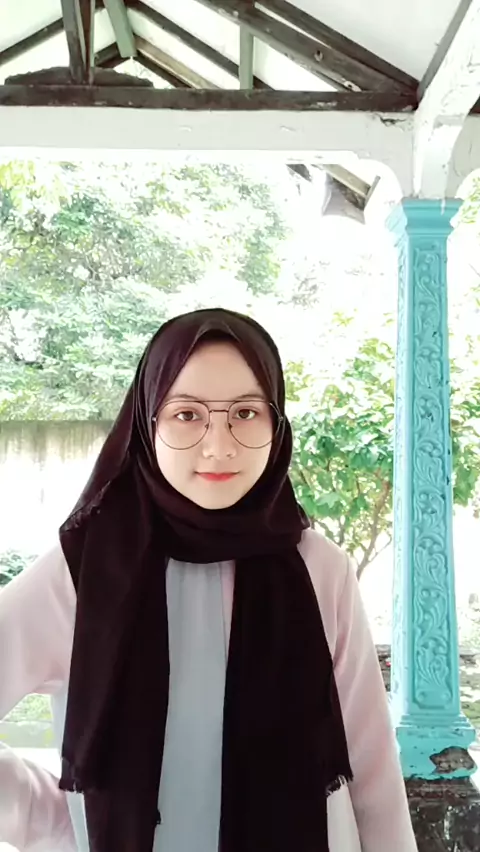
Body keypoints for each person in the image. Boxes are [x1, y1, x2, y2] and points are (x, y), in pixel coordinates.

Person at [0, 307, 418, 852]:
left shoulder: (320, 568)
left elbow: (371, 767)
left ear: (277, 424)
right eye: (187, 414)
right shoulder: (85, 573)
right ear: (147, 422)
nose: (219, 445)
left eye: (245, 412)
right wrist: (50, 821)